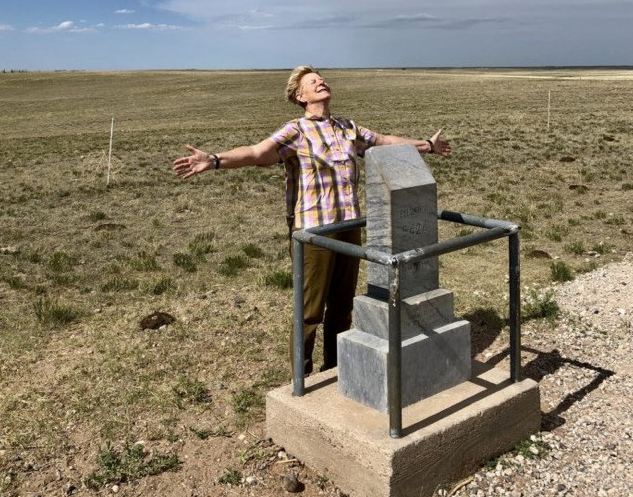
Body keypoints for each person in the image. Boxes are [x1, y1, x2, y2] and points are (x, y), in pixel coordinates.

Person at [172, 66, 451, 376]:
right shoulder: (296, 131)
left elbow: (384, 142)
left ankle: (335, 370)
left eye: (322, 79)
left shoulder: (348, 128)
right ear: (299, 96)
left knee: (342, 309)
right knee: (309, 312)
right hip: (314, 233)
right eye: (313, 82)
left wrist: (427, 144)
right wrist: (214, 160)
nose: (321, 82)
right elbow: (256, 152)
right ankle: (301, 379)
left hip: (348, 229)